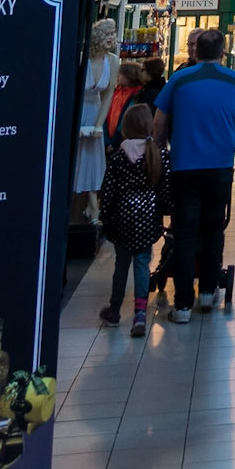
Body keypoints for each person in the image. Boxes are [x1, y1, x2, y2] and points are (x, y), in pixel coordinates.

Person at [153, 28, 235, 324]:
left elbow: (159, 120)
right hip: (219, 166)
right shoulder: (234, 79)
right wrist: (229, 144)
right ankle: (208, 291)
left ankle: (183, 304)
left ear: (196, 52)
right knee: (213, 227)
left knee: (184, 232)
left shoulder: (179, 79)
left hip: (185, 166)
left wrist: (163, 147)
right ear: (222, 52)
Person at [97, 103, 169, 337]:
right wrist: (165, 210)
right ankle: (140, 313)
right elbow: (165, 186)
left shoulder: (119, 155)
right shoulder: (157, 152)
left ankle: (115, 310)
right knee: (142, 264)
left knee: (121, 266)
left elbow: (109, 189)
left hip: (122, 216)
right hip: (148, 215)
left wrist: (105, 216)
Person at [104, 62, 145, 150]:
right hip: (110, 138)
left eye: (120, 74)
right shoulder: (116, 92)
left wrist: (115, 142)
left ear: (129, 75)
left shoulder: (137, 95)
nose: (117, 76)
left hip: (123, 142)